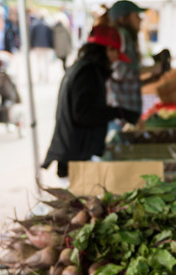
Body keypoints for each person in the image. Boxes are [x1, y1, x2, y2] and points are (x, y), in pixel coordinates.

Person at [43, 25, 140, 178]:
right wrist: (119, 112)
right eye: (116, 53)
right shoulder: (87, 73)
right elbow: (83, 113)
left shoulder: (82, 67)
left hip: (75, 151)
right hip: (76, 156)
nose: (115, 61)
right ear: (108, 49)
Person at [107, 0, 162, 119]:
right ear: (123, 18)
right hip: (122, 113)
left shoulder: (125, 37)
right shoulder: (122, 35)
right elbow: (121, 72)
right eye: (136, 16)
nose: (140, 20)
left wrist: (150, 79)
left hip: (126, 111)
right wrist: (152, 68)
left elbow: (127, 81)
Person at [29, 10, 54, 82]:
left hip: (38, 45)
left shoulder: (35, 24)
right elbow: (50, 37)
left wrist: (31, 45)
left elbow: (32, 36)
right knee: (45, 62)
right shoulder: (47, 25)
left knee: (39, 62)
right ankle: (45, 76)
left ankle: (41, 76)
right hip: (45, 46)